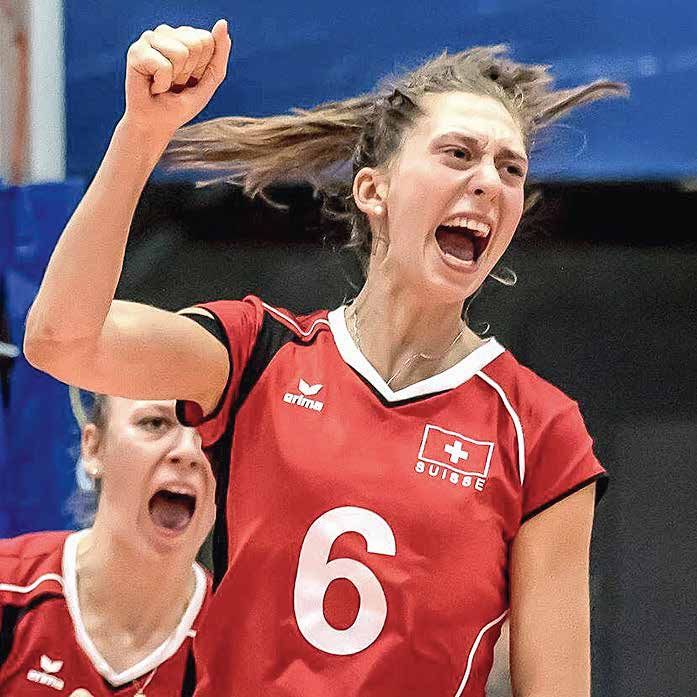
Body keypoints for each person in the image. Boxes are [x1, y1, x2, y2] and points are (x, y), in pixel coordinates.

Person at [23, 19, 626, 696]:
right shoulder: (257, 351)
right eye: (458, 154)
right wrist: (142, 132)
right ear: (373, 191)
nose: (489, 181)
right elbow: (60, 340)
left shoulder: (539, 431)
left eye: (510, 168)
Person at [0, 392, 215, 696]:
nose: (188, 451)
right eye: (155, 423)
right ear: (93, 448)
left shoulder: (242, 644)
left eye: (210, 431)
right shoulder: (8, 587)